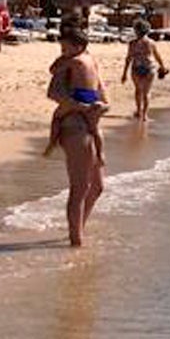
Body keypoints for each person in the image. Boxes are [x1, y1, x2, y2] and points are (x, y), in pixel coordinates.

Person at [44, 22, 107, 247]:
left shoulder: (89, 59)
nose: (63, 53)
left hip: (91, 118)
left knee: (98, 186)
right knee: (79, 187)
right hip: (74, 123)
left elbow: (100, 88)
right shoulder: (67, 64)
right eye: (62, 49)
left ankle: (77, 230)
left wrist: (101, 105)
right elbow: (53, 92)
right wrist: (79, 107)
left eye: (65, 48)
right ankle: (76, 243)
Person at [121, 20, 164, 121]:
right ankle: (145, 115)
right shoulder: (151, 43)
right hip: (149, 68)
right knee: (147, 92)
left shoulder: (132, 43)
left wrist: (124, 73)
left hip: (136, 68)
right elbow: (157, 56)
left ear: (136, 30)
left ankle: (139, 111)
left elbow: (128, 59)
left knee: (138, 91)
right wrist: (162, 66)